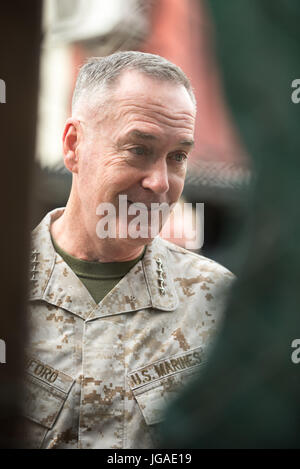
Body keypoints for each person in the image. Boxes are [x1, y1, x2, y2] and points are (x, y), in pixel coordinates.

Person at [24, 51, 234, 449]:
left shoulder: (217, 302)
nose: (160, 182)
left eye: (177, 157)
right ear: (73, 146)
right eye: (138, 149)